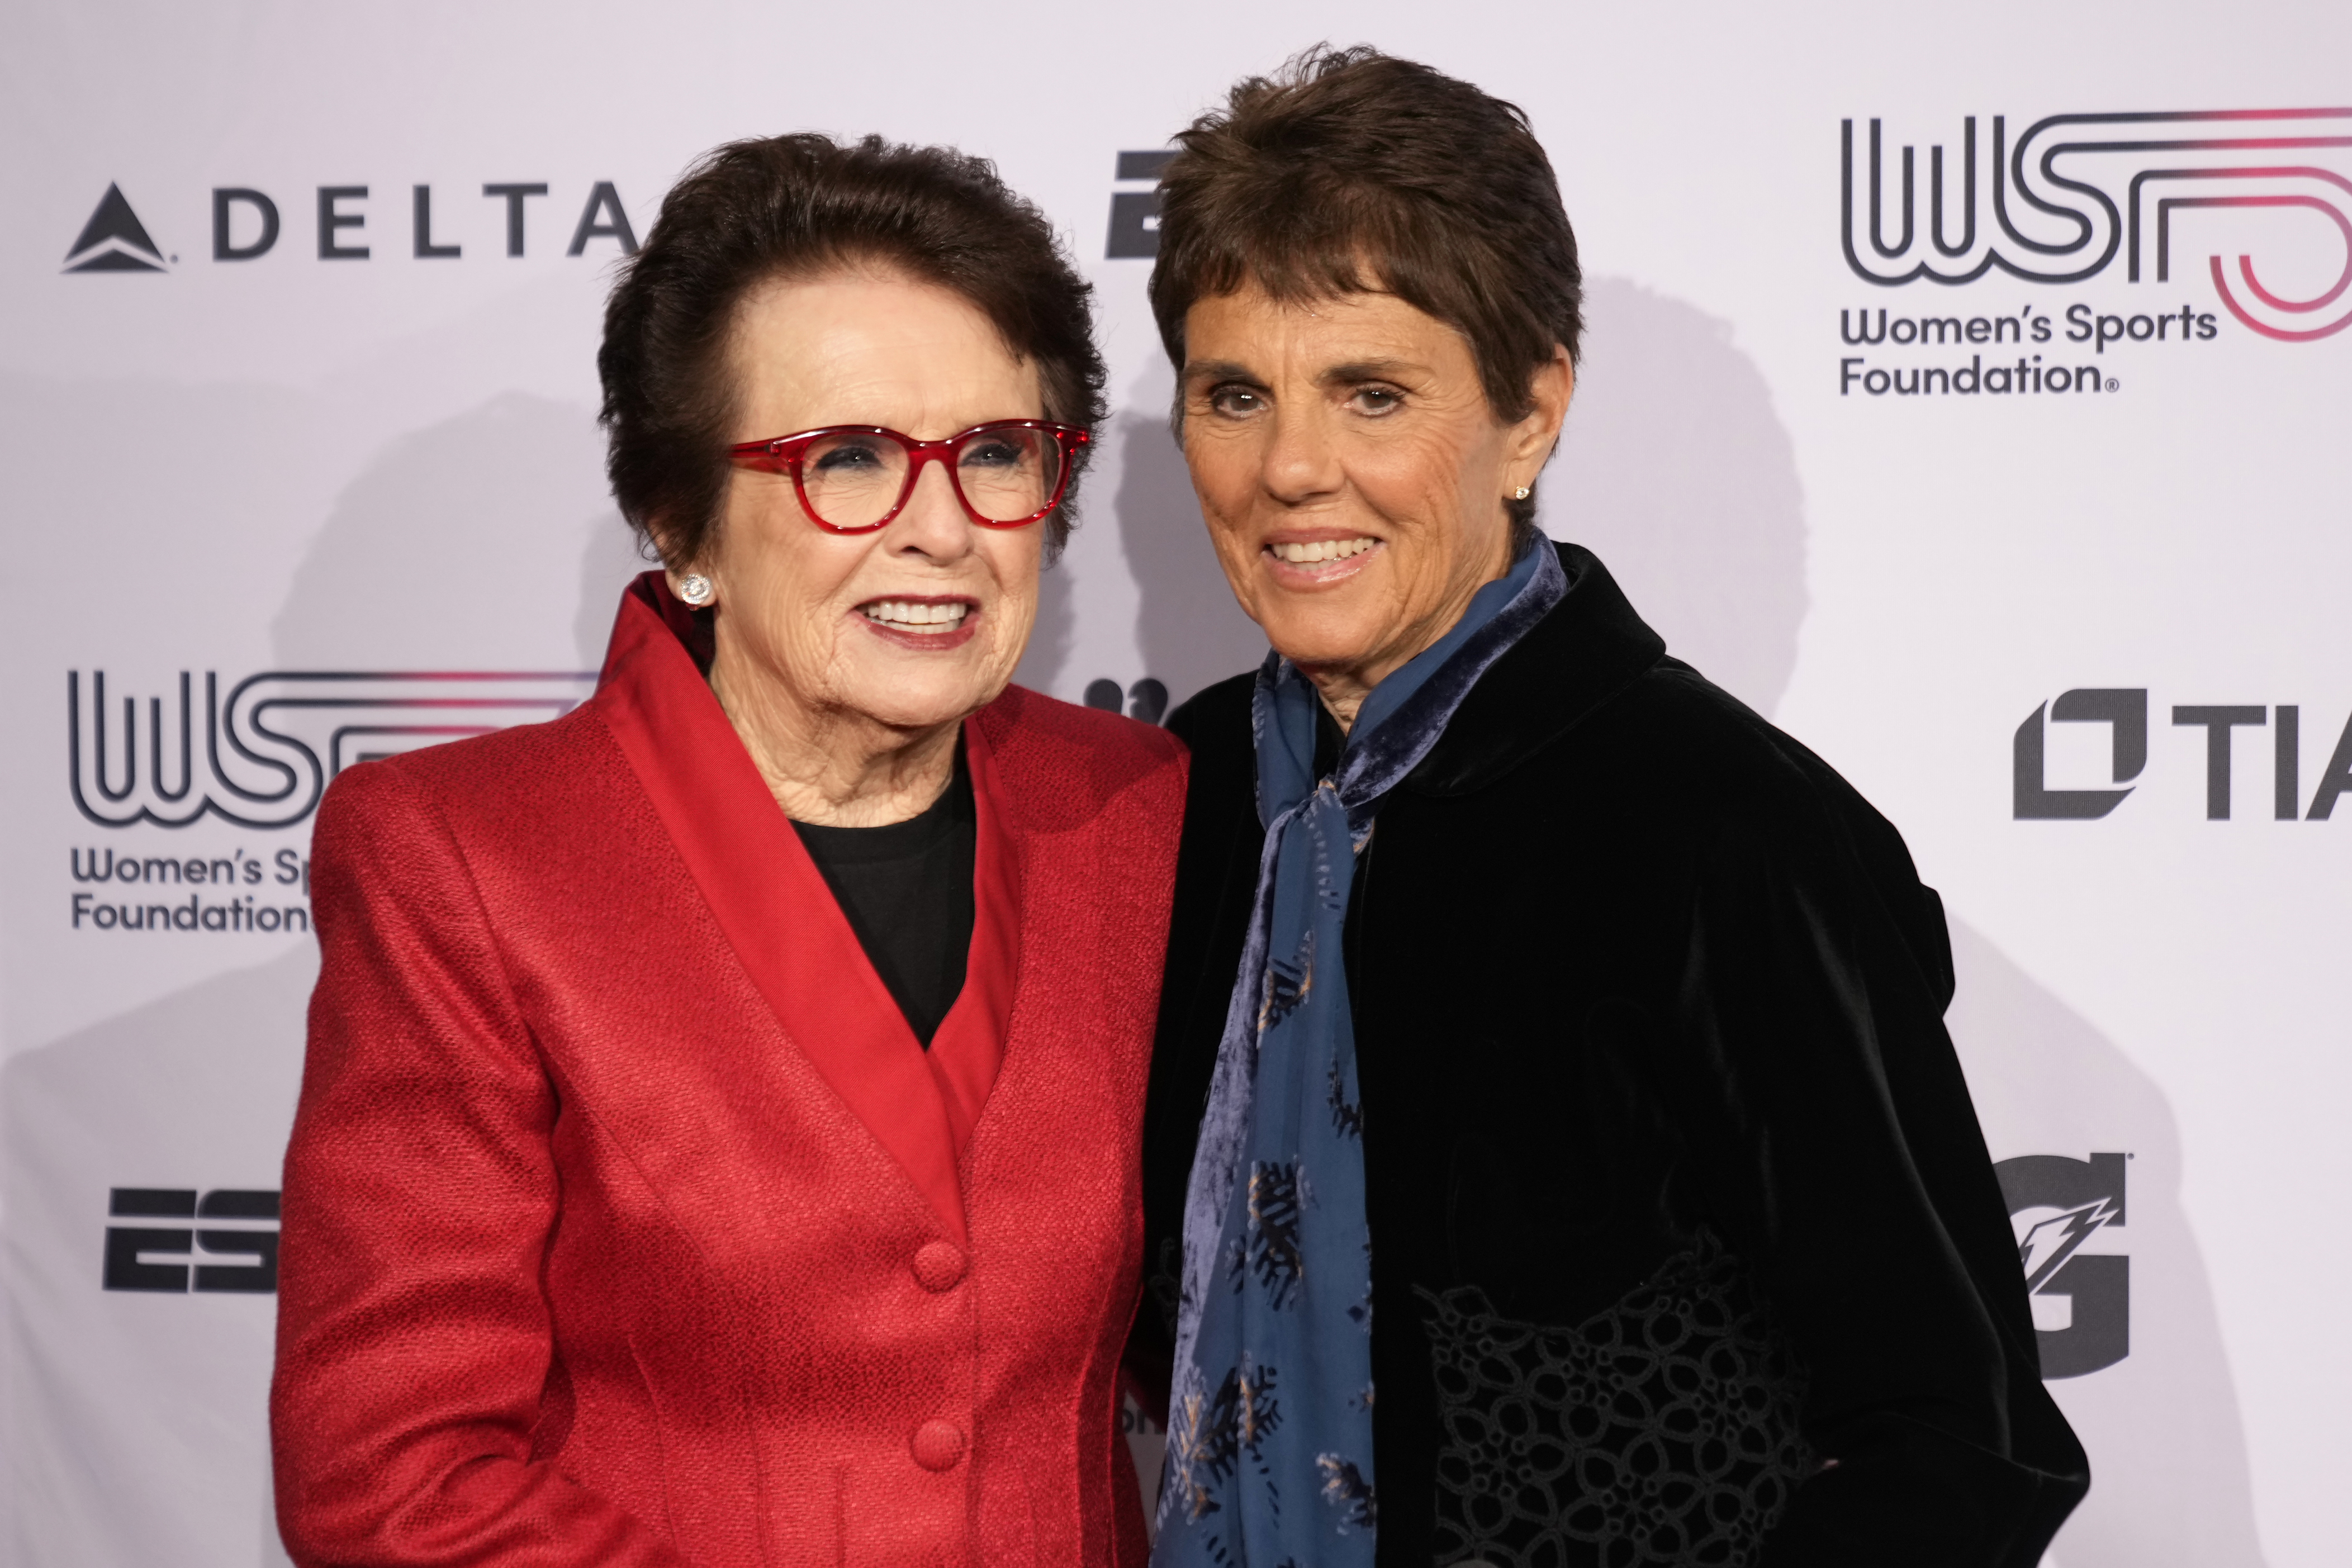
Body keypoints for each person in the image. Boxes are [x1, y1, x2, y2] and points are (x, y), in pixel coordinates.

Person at [1128, 48, 2089, 1568]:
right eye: (1234, 393)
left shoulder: (1724, 832)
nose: (1291, 467)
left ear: (1530, 417)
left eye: (1370, 392)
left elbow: (1956, 1439)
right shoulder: (1170, 812)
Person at [271, 133, 1183, 1568]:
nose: (942, 530)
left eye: (997, 452)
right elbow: (394, 1477)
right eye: (850, 460)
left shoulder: (1141, 811)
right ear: (678, 516)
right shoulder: (461, 857)